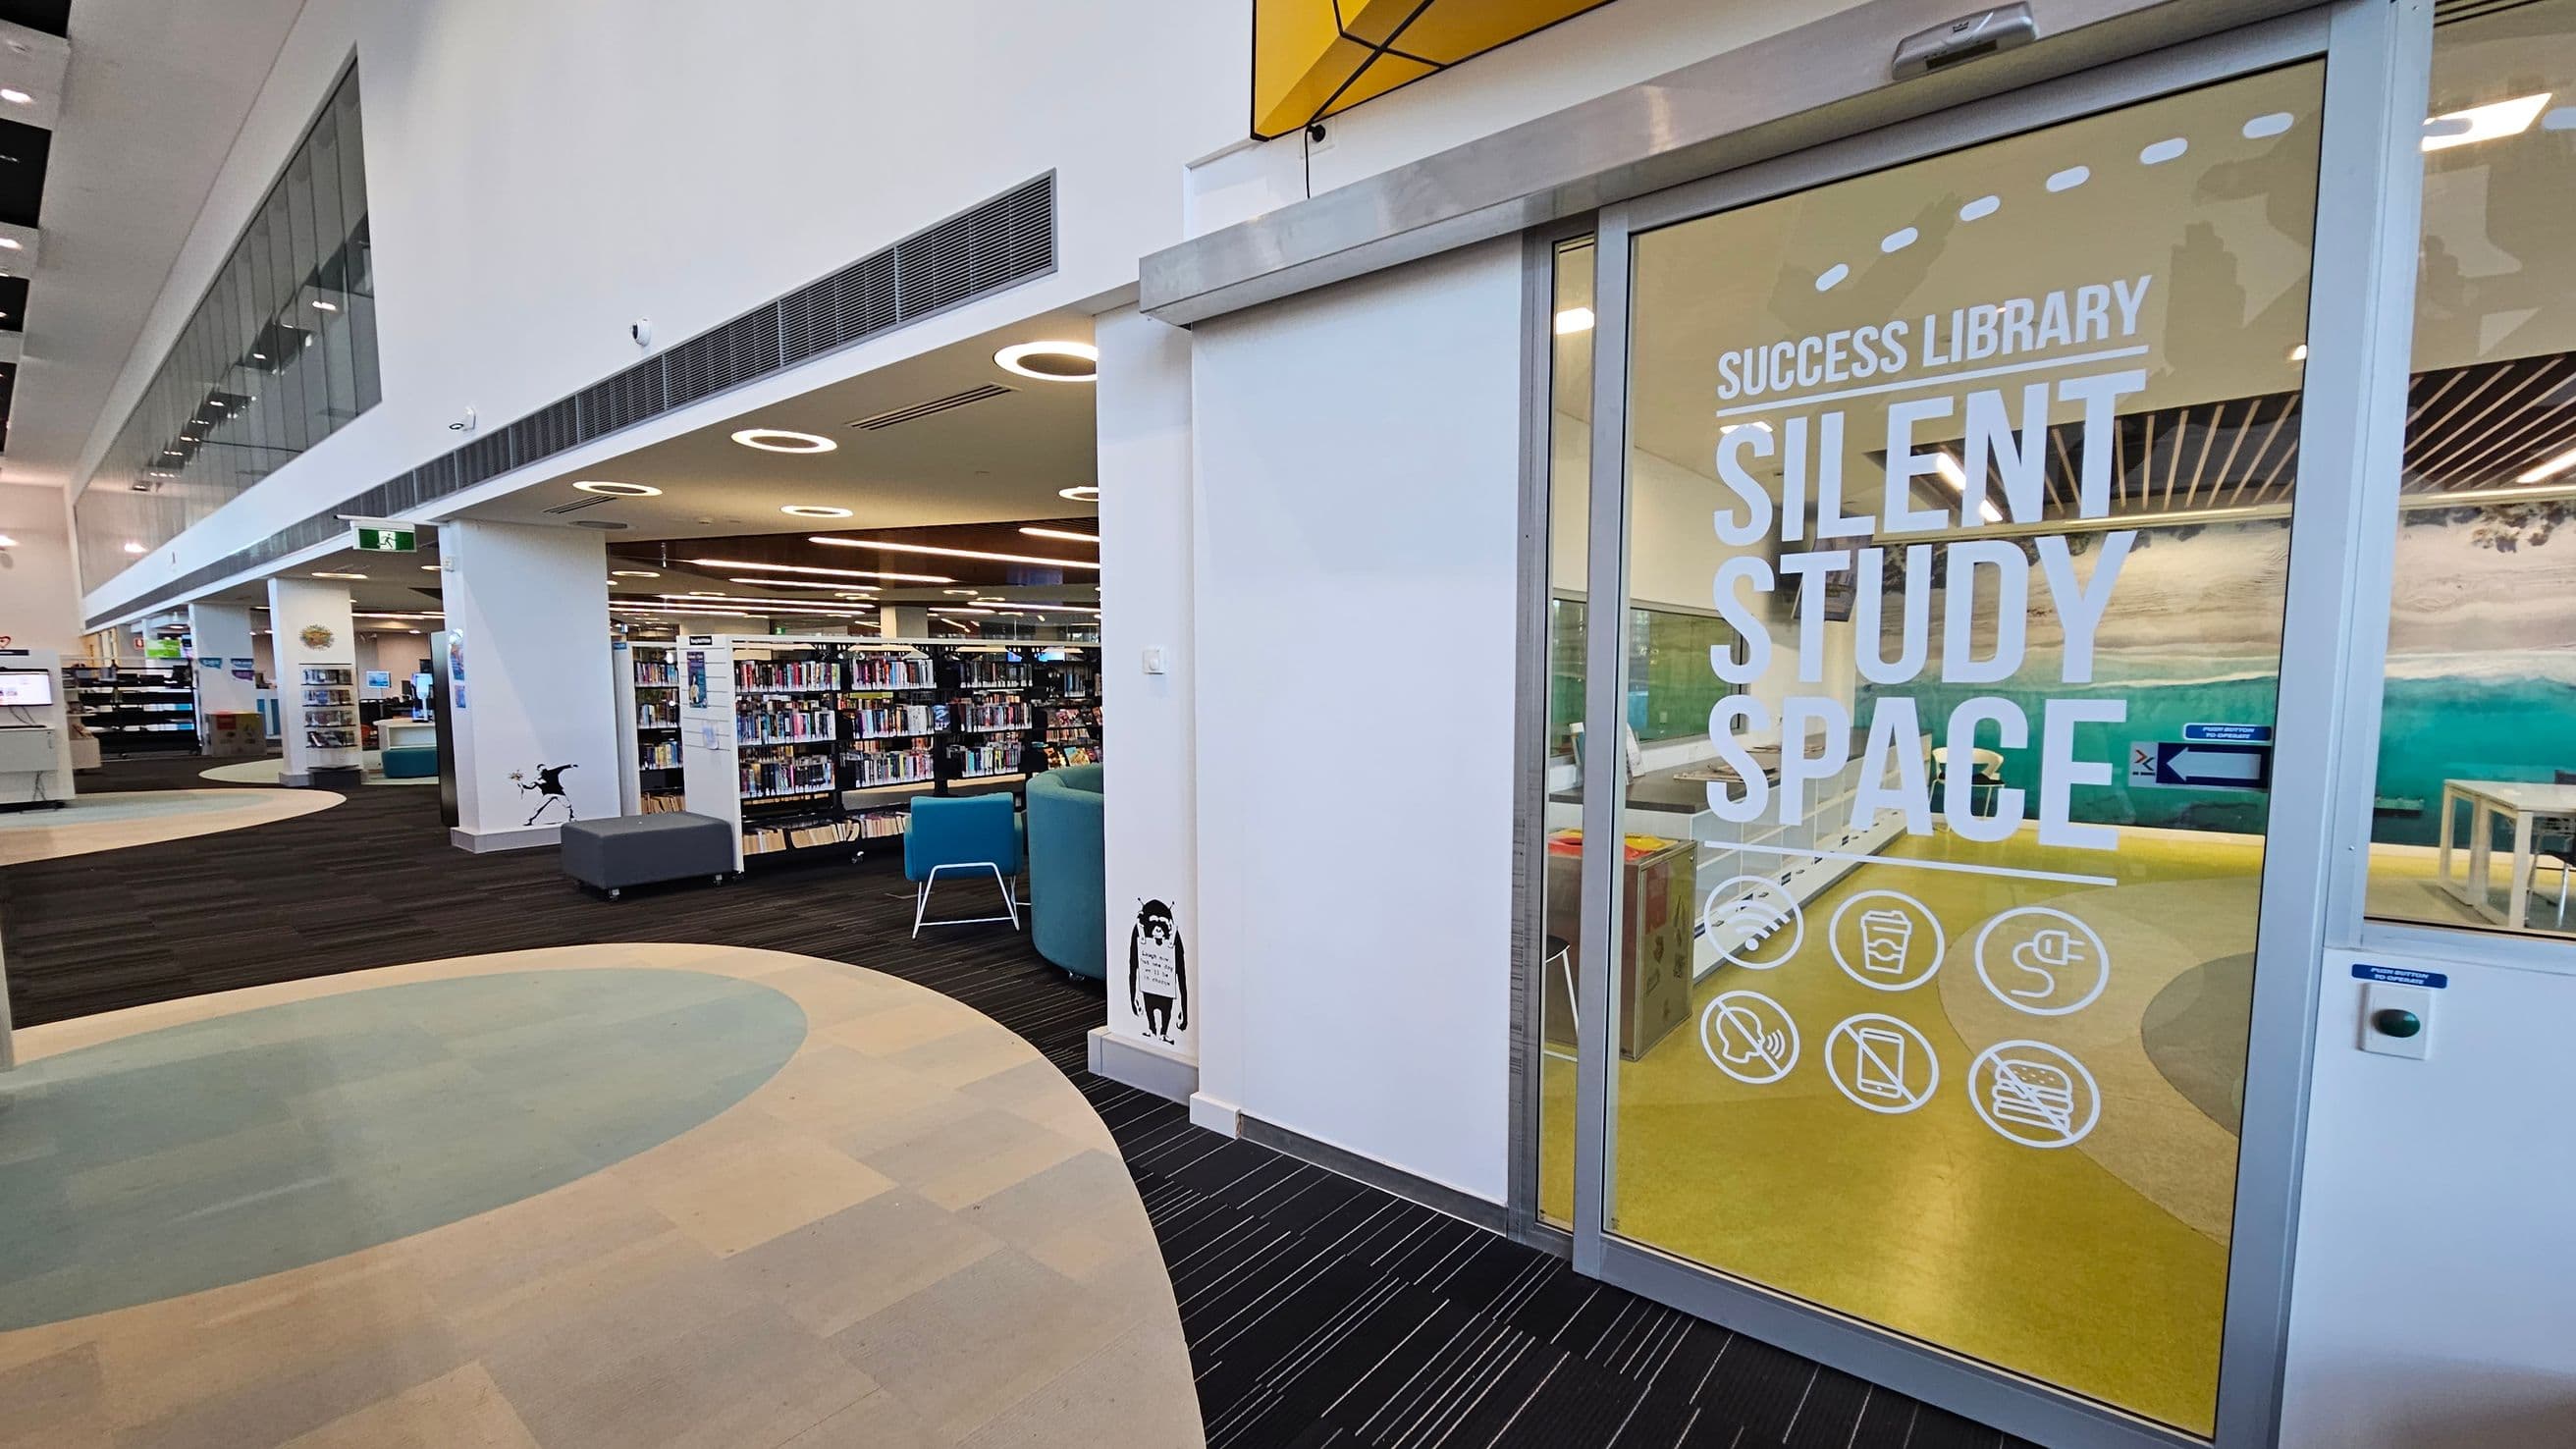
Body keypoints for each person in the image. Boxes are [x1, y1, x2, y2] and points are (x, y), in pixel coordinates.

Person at [1128, 899, 1187, 1045]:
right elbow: (1133, 966)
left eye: (1162, 924)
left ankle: (1164, 1032)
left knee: (1167, 1010)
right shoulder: (1138, 932)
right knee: (1149, 1005)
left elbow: (1181, 975)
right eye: (1154, 924)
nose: (1158, 930)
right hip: (1149, 982)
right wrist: (1133, 995)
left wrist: (1183, 1009)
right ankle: (1152, 1029)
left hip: (1165, 983)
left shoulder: (1174, 937)